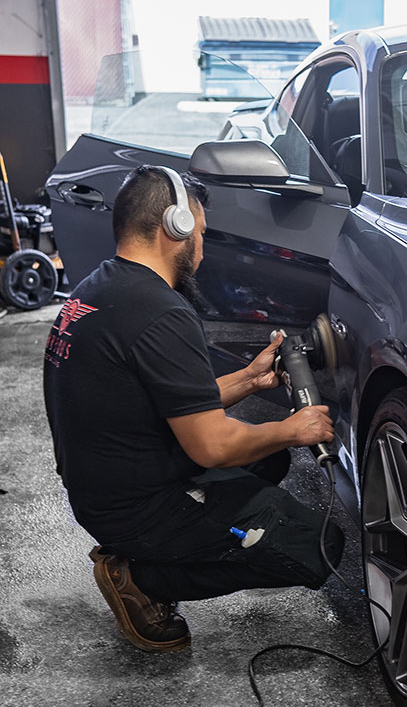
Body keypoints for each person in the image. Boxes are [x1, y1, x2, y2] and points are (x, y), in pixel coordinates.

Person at [43, 164, 343, 653]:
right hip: (134, 508)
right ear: (175, 227)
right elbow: (211, 444)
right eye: (200, 234)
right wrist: (293, 428)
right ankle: (143, 578)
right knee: (315, 547)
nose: (202, 249)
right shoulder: (161, 312)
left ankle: (165, 543)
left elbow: (165, 400)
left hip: (104, 487)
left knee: (267, 459)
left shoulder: (102, 288)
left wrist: (249, 379)